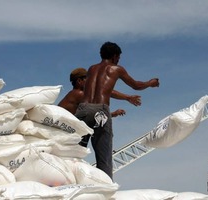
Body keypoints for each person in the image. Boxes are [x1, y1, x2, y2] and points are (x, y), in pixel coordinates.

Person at [74, 41, 160, 179]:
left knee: (74, 152)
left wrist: (126, 98)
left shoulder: (91, 69)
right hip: (100, 112)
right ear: (115, 56)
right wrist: (150, 83)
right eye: (118, 58)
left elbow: (105, 90)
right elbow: (136, 85)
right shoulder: (116, 69)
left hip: (83, 110)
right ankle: (105, 187)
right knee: (104, 158)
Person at [58, 67, 142, 147]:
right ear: (79, 81)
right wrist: (127, 98)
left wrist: (114, 112)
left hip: (69, 131)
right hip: (64, 131)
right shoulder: (78, 94)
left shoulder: (78, 95)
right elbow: (103, 92)